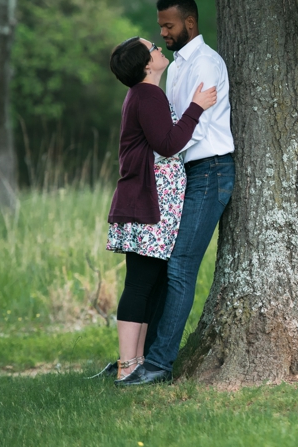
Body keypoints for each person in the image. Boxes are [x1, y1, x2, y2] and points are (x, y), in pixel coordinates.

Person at [133, 0, 235, 385]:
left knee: (180, 268)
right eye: (160, 25)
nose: (163, 32)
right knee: (163, 266)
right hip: (184, 175)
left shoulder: (206, 64)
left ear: (189, 23)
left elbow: (194, 130)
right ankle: (141, 358)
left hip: (210, 172)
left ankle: (160, 364)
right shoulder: (175, 68)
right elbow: (171, 126)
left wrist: (164, 148)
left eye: (168, 25)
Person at [102, 36, 217, 386]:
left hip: (148, 202)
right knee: (139, 284)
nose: (158, 48)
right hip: (147, 204)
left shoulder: (142, 94)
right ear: (146, 64)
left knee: (148, 284)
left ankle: (135, 362)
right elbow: (167, 144)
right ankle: (127, 365)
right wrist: (197, 107)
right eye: (152, 48)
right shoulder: (147, 94)